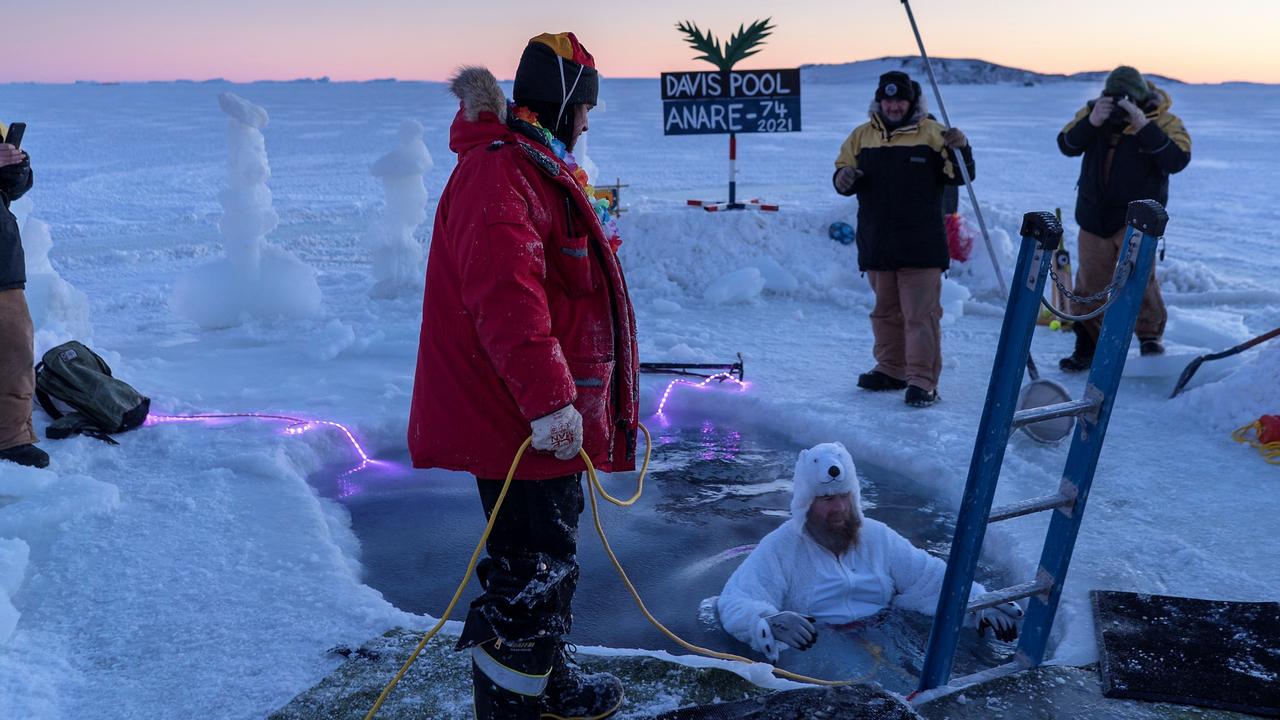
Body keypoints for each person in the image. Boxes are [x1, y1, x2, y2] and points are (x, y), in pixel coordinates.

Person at [407, 32, 638, 720]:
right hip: (523, 425)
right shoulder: (500, 174)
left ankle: (551, 686)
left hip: (542, 421)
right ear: (567, 102)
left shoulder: (537, 166)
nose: (590, 122)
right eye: (586, 107)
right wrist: (550, 404)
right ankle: (510, 711)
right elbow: (507, 301)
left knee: (549, 566)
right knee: (526, 578)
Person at [717, 442, 1022, 663]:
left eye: (843, 496)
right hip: (817, 654)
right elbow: (736, 598)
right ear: (806, 503)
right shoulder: (782, 547)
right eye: (825, 499)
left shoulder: (876, 537)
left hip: (887, 638)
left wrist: (978, 601)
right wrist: (767, 622)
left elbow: (929, 577)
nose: (838, 508)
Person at [833, 71, 974, 408]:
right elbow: (841, 176)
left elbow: (959, 176)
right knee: (885, 313)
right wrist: (844, 177)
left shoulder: (933, 133)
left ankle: (923, 381)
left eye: (900, 100)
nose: (893, 106)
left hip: (920, 243)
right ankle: (891, 370)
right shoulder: (861, 136)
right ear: (879, 101)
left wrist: (962, 148)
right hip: (878, 242)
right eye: (888, 99)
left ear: (911, 102)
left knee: (920, 315)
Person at [1057, 66, 1191, 371]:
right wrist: (1092, 122)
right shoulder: (1094, 113)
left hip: (1139, 219)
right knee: (1090, 282)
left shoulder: (1164, 120)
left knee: (1141, 280)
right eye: (1111, 95)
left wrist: (1143, 124)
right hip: (1094, 215)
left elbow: (1177, 159)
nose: (1117, 103)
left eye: (1124, 97)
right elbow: (1066, 145)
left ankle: (1149, 336)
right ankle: (1088, 344)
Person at [0, 124, 46, 469]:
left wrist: (17, 167)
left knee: (14, 352)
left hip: (2, 264)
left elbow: (11, 189)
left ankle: (11, 440)